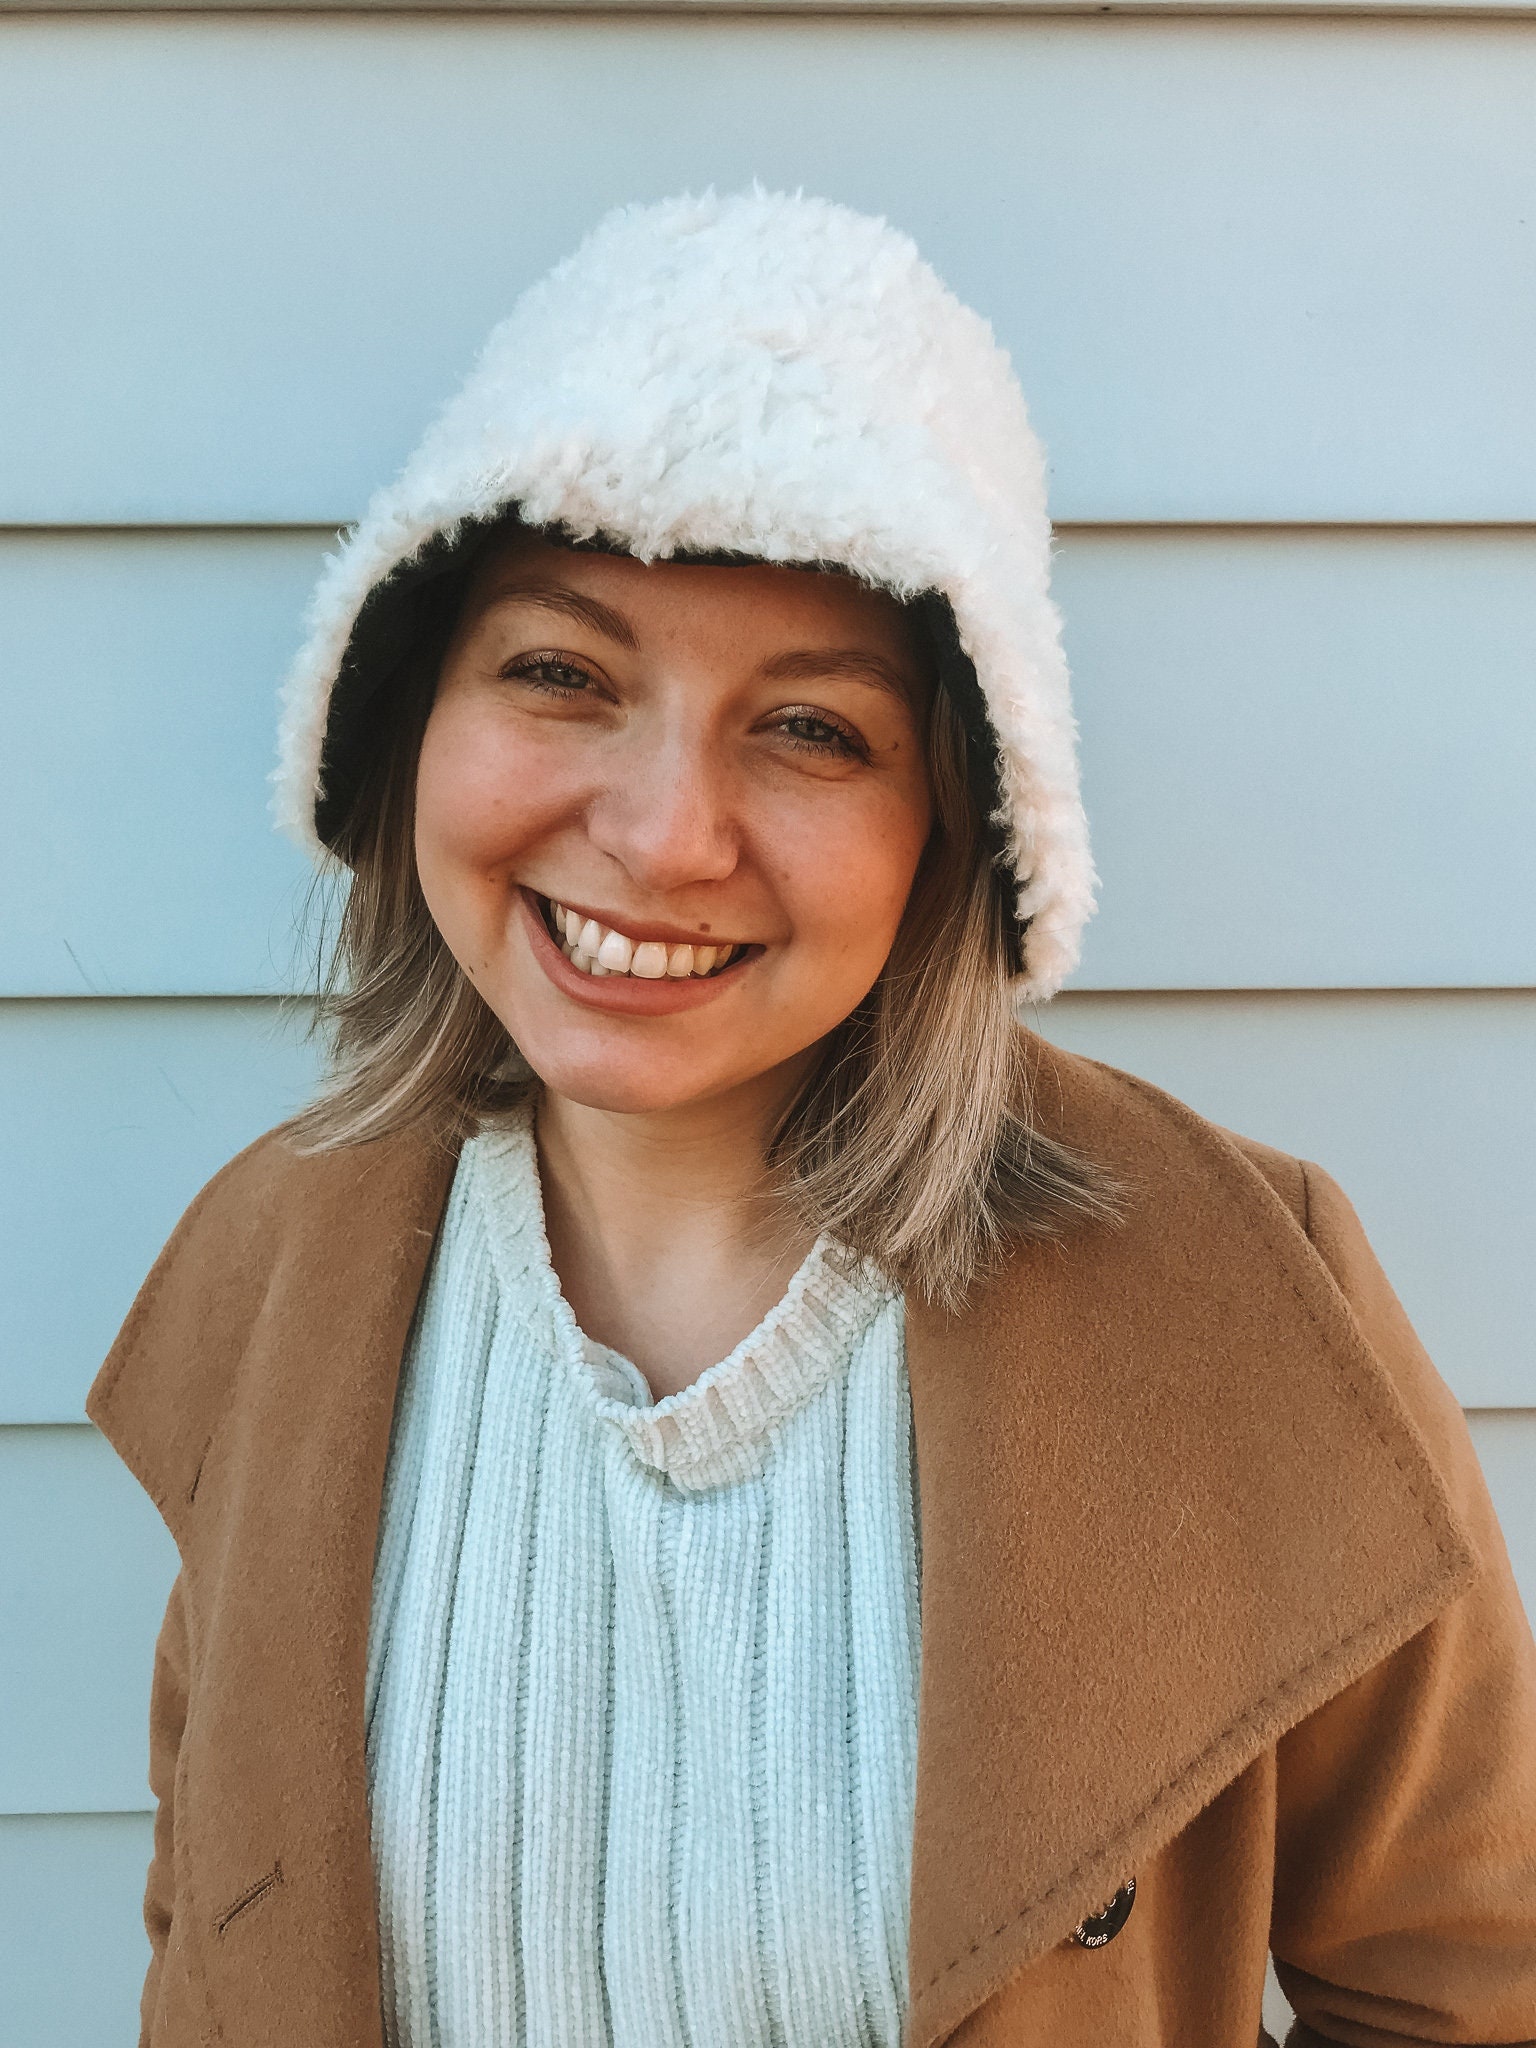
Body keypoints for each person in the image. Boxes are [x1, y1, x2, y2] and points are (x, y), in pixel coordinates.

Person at [90, 191, 1536, 2048]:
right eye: (561, 674)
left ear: (962, 821)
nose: (664, 833)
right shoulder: (271, 1272)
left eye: (814, 731)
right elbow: (210, 1934)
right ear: (402, 723)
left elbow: (1469, 1986)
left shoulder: (1249, 1290)